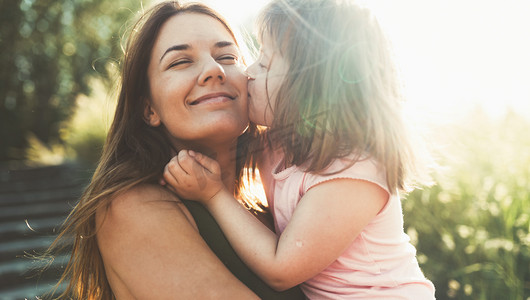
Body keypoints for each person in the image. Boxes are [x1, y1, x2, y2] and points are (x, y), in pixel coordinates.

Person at [163, 0, 436, 298]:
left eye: (265, 64)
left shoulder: (352, 169)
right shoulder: (277, 143)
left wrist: (212, 194)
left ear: (311, 89)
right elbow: (220, 138)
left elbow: (281, 270)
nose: (249, 73)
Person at [42, 1, 305, 299]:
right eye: (180, 62)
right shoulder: (133, 207)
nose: (214, 70)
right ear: (148, 108)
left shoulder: (277, 206)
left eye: (228, 56)